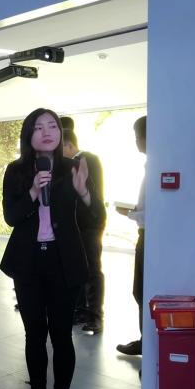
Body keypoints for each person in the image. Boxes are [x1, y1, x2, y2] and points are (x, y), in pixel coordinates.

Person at [1, 108, 105, 389]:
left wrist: (84, 192)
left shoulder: (74, 167)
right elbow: (11, 217)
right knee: (34, 335)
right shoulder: (16, 170)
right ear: (28, 134)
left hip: (63, 263)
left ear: (60, 133)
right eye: (39, 127)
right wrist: (33, 191)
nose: (47, 132)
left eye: (53, 126)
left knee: (61, 337)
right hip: (28, 262)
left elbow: (96, 218)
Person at [61, 124, 106, 334]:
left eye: (60, 147)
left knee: (92, 269)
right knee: (76, 268)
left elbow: (91, 194)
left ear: (69, 145)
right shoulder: (69, 163)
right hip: (75, 225)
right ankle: (79, 311)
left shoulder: (88, 160)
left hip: (90, 224)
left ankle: (95, 316)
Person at [116, 115, 147, 356]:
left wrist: (131, 213)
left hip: (149, 236)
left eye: (138, 137)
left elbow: (155, 212)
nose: (136, 142)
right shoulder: (151, 166)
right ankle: (145, 340)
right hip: (144, 235)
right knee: (139, 291)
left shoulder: (158, 167)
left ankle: (147, 343)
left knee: (142, 291)